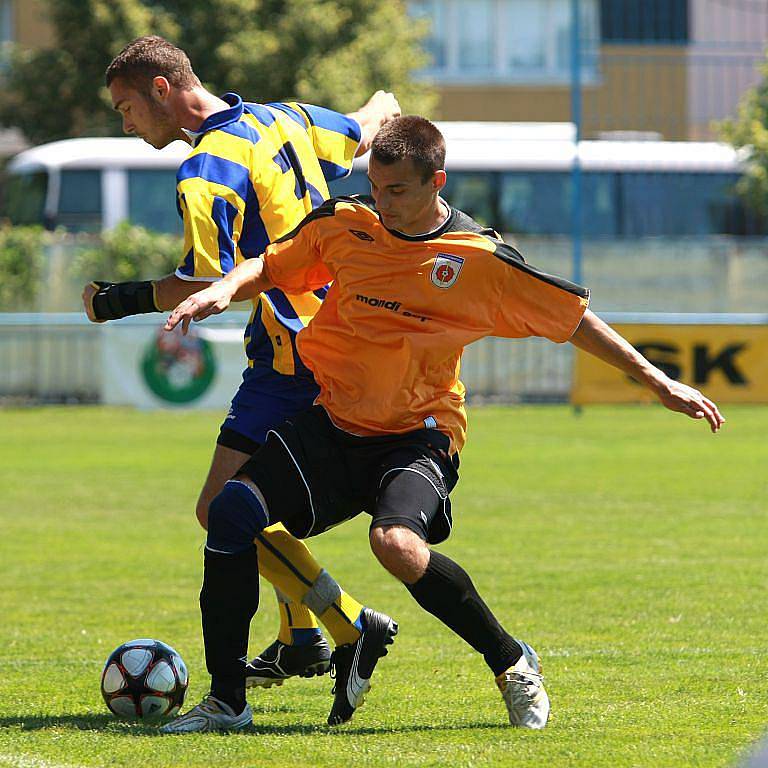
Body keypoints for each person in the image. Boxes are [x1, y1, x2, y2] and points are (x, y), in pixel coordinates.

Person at [161, 115, 724, 733]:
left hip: (418, 432)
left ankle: (511, 661)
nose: (382, 202)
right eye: (375, 187)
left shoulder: (478, 259)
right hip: (335, 422)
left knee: (395, 545)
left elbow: (574, 320)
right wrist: (224, 289)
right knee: (230, 511)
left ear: (437, 181)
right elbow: (273, 266)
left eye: (396, 191)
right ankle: (227, 702)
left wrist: (660, 382)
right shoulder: (349, 224)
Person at [82, 36, 402, 723]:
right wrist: (386, 105)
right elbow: (364, 130)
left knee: (221, 508)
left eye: (127, 108)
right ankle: (301, 639)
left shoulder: (205, 169)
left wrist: (116, 299)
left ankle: (350, 624)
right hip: (333, 338)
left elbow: (204, 282)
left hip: (295, 354)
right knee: (258, 501)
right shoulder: (281, 117)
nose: (126, 124)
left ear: (163, 90)